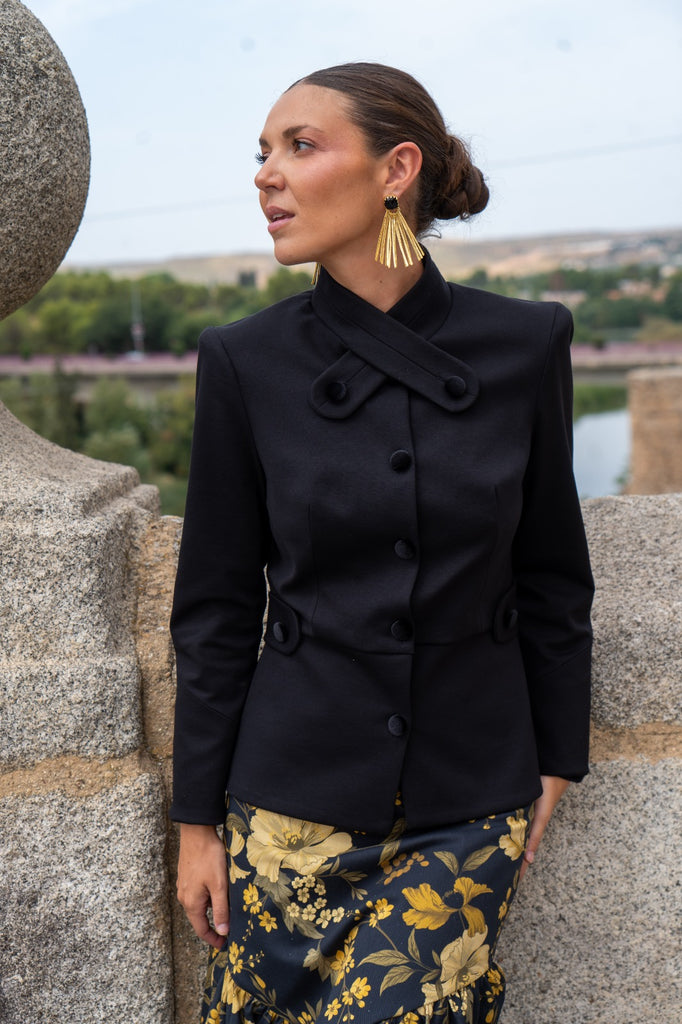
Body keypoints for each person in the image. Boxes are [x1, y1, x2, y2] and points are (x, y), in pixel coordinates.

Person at [170, 62, 594, 1024]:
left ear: (396, 169)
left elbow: (554, 575)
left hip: (468, 804)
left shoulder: (528, 343)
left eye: (300, 146)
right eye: (262, 153)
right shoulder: (242, 360)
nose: (265, 175)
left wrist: (556, 758)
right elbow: (217, 609)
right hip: (287, 806)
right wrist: (198, 825)